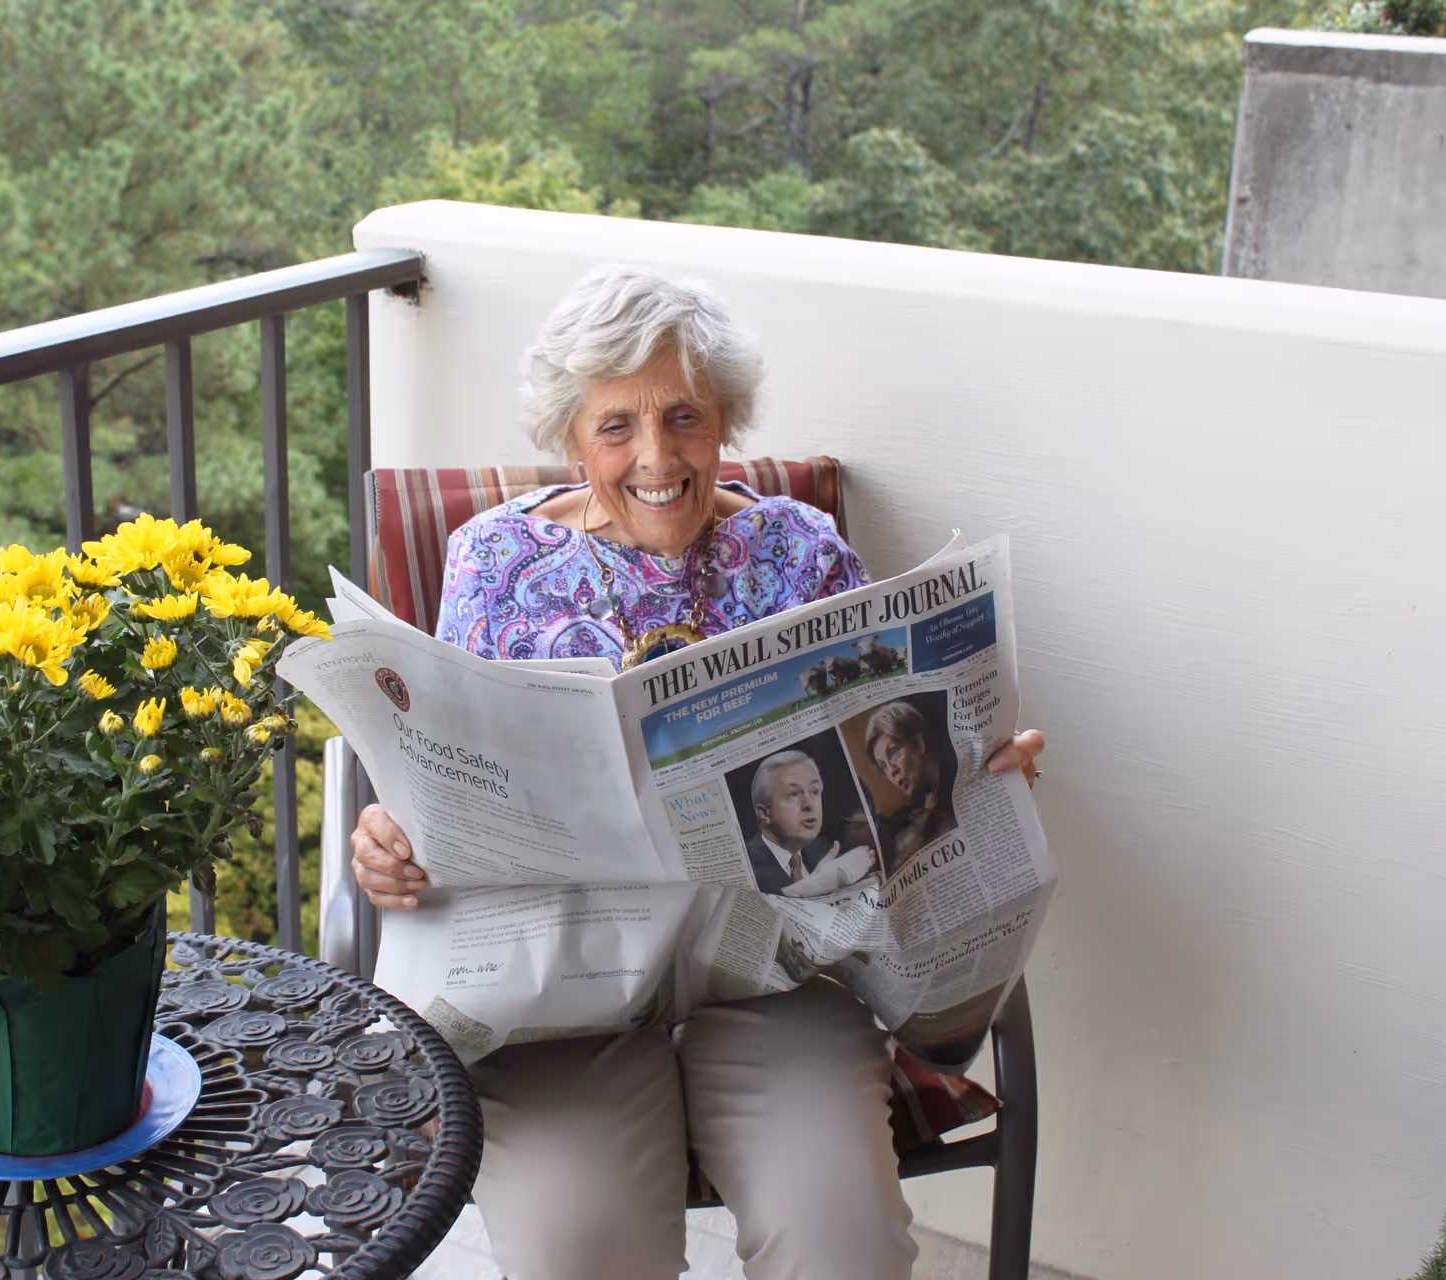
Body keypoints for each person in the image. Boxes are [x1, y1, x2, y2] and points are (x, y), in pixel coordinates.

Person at [350, 265, 1046, 1280]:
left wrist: (974, 779)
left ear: (726, 416)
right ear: (570, 433)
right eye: (616, 424)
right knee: (579, 1250)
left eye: (685, 415)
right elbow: (446, 778)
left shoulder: (802, 551)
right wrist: (391, 840)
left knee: (842, 1244)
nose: (657, 455)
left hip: (773, 979)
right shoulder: (491, 561)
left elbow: (879, 763)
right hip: (561, 995)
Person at [864, 699, 960, 872]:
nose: (891, 771)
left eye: (893, 752)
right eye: (883, 766)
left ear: (919, 743)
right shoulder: (916, 809)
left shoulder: (959, 781)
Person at [743, 750, 836, 893]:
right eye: (793, 795)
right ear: (764, 813)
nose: (809, 804)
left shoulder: (824, 850)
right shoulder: (746, 865)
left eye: (814, 791)